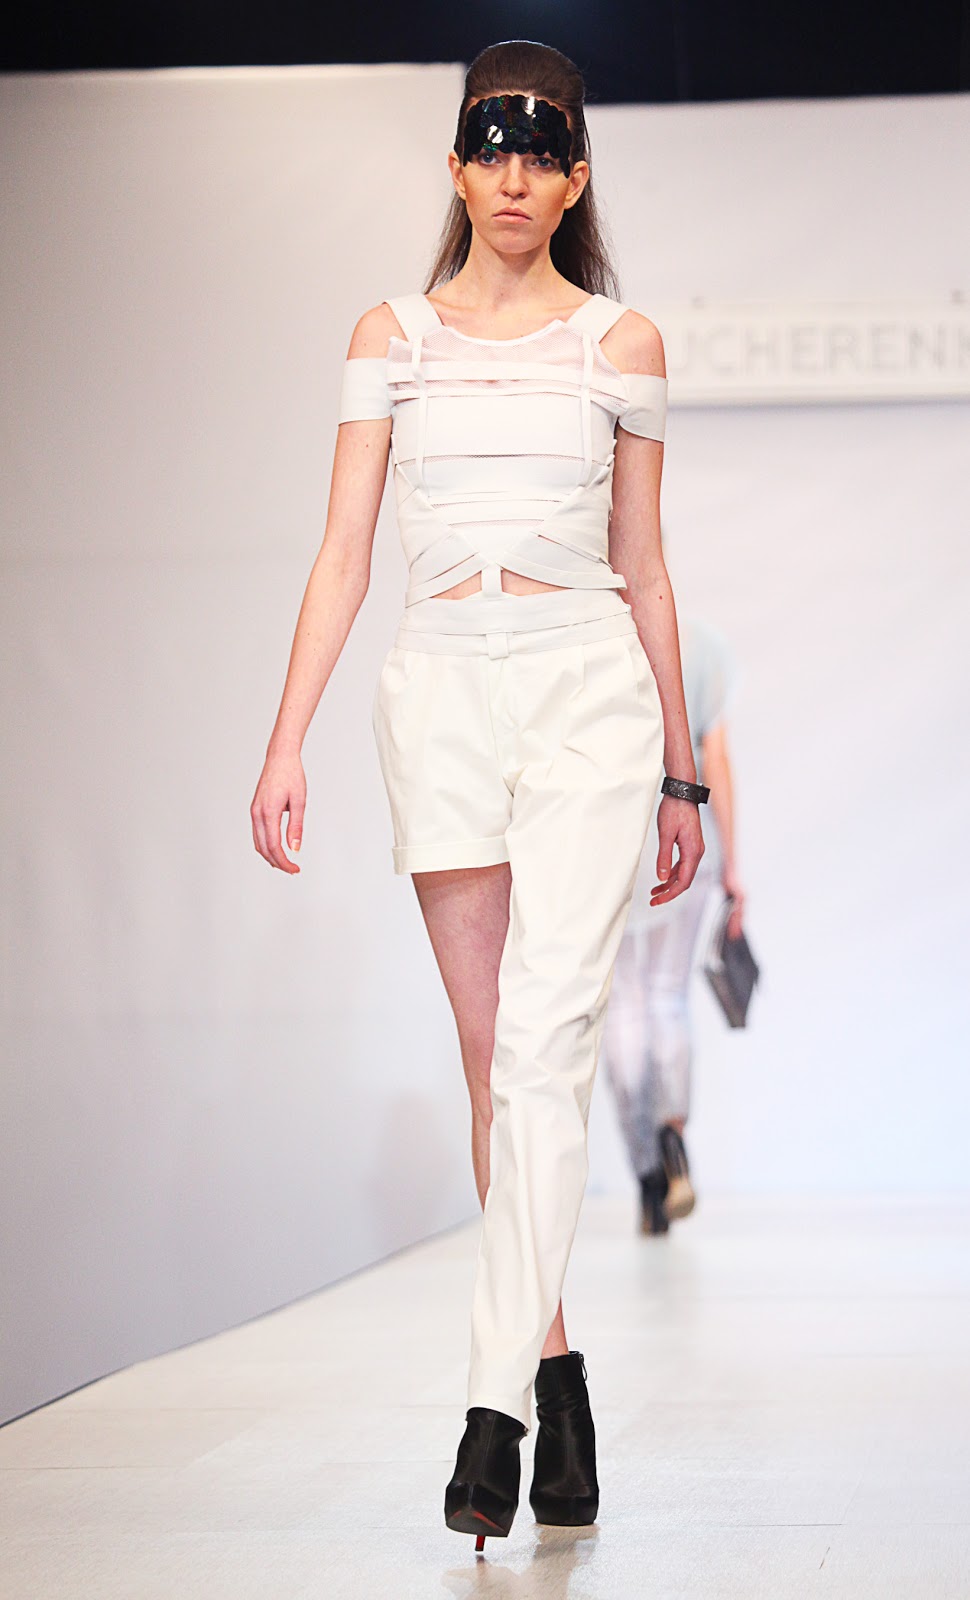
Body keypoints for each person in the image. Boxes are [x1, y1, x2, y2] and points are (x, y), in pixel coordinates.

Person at [250, 40, 710, 1547]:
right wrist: (285, 738)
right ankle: (556, 1372)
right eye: (490, 148)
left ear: (575, 179)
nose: (514, 176)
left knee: (545, 1040)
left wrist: (681, 769)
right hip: (439, 686)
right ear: (454, 166)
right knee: (488, 1059)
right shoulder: (387, 337)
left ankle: (490, 1410)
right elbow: (342, 552)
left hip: (585, 686)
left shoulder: (621, 345)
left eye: (542, 152)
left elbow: (645, 568)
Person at [600, 605, 745, 1235]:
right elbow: (716, 758)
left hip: (612, 844)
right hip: (685, 837)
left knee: (622, 1012)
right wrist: (733, 864)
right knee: (667, 999)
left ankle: (646, 1174)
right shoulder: (702, 645)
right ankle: (672, 1134)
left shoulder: (594, 634)